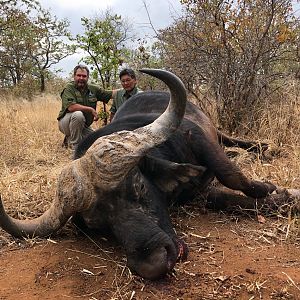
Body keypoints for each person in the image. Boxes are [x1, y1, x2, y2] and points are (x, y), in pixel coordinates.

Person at [57, 65, 117, 150]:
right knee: (78, 115)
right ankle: (75, 147)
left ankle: (69, 139)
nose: (81, 78)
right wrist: (90, 109)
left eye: (84, 76)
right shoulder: (69, 88)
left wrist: (128, 88)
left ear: (88, 77)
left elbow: (111, 94)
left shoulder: (93, 89)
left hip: (83, 125)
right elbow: (71, 107)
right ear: (74, 76)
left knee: (97, 139)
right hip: (65, 124)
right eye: (79, 75)